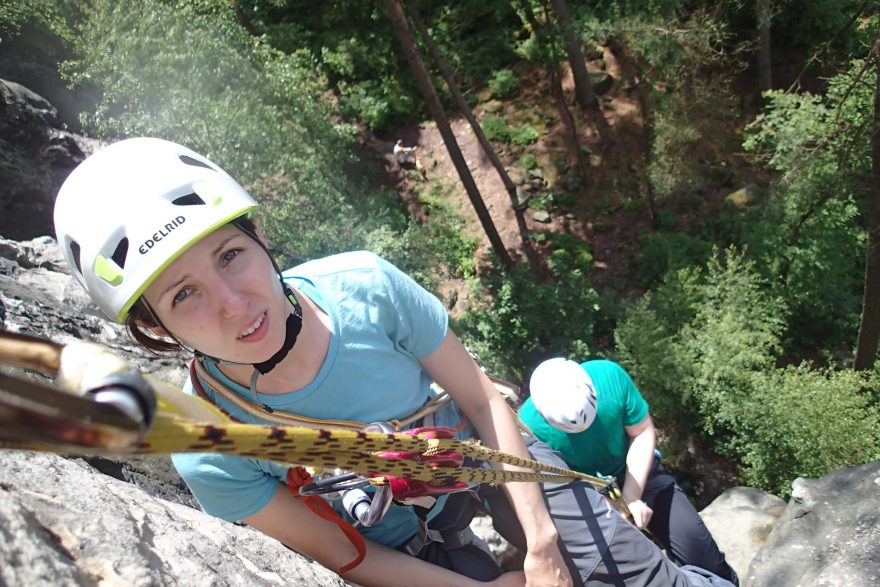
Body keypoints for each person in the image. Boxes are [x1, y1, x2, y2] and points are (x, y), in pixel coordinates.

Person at [54, 137, 736, 587]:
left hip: (490, 460)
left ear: (260, 235)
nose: (233, 306)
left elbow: (480, 399)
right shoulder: (209, 446)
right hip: (406, 548)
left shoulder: (365, 288)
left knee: (637, 577)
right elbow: (342, 553)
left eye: (230, 255)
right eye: (185, 295)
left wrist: (542, 543)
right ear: (155, 326)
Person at [519, 358, 739, 585]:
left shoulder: (609, 377)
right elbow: (557, 483)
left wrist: (631, 497)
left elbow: (641, 431)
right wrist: (605, 505)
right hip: (589, 498)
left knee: (704, 556)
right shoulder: (530, 429)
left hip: (638, 472)